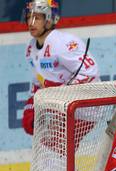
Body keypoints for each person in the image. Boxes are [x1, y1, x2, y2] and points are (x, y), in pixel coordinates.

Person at [22, 0, 100, 136]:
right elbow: (39, 82)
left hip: (84, 108)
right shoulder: (30, 48)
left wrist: (61, 92)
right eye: (29, 17)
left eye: (37, 18)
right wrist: (31, 107)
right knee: (49, 147)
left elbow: (90, 73)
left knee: (53, 150)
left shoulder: (63, 43)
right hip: (63, 108)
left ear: (50, 19)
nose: (31, 22)